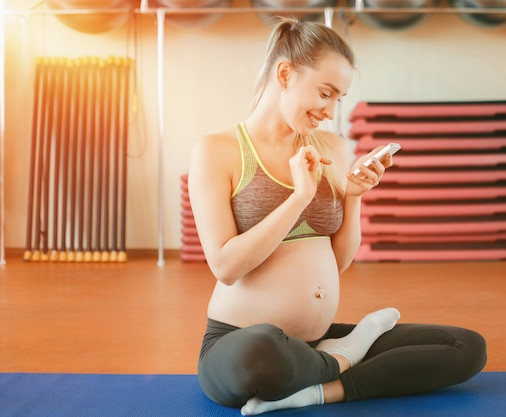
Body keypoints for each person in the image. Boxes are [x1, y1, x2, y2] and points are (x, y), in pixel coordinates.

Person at [187, 17, 487, 416]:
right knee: (258, 355)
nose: (329, 111)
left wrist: (354, 197)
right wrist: (299, 197)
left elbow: (340, 261)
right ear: (285, 74)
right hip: (239, 342)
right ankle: (345, 357)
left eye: (338, 98)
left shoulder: (332, 147)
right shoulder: (216, 151)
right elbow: (226, 266)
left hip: (315, 340)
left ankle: (320, 389)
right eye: (324, 93)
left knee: (465, 347)